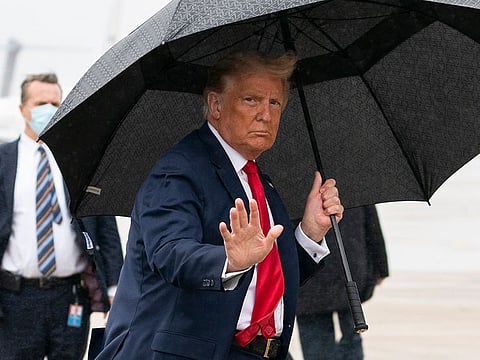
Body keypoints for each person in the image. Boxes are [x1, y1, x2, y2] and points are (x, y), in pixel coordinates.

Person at [95, 50, 344, 360]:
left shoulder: (258, 179)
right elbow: (170, 253)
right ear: (215, 104)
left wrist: (310, 231)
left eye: (274, 103)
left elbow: (269, 278)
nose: (265, 114)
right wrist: (228, 261)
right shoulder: (179, 169)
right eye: (251, 100)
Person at [0, 72, 124, 360]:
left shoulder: (80, 159)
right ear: (23, 109)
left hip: (70, 296)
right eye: (41, 102)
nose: (49, 110)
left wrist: (114, 286)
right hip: (16, 298)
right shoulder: (4, 161)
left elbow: (102, 222)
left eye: (55, 103)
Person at [294, 205, 389, 360]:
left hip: (316, 277)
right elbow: (371, 223)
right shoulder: (354, 183)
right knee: (348, 338)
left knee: (321, 342)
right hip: (345, 272)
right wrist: (381, 266)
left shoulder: (293, 186)